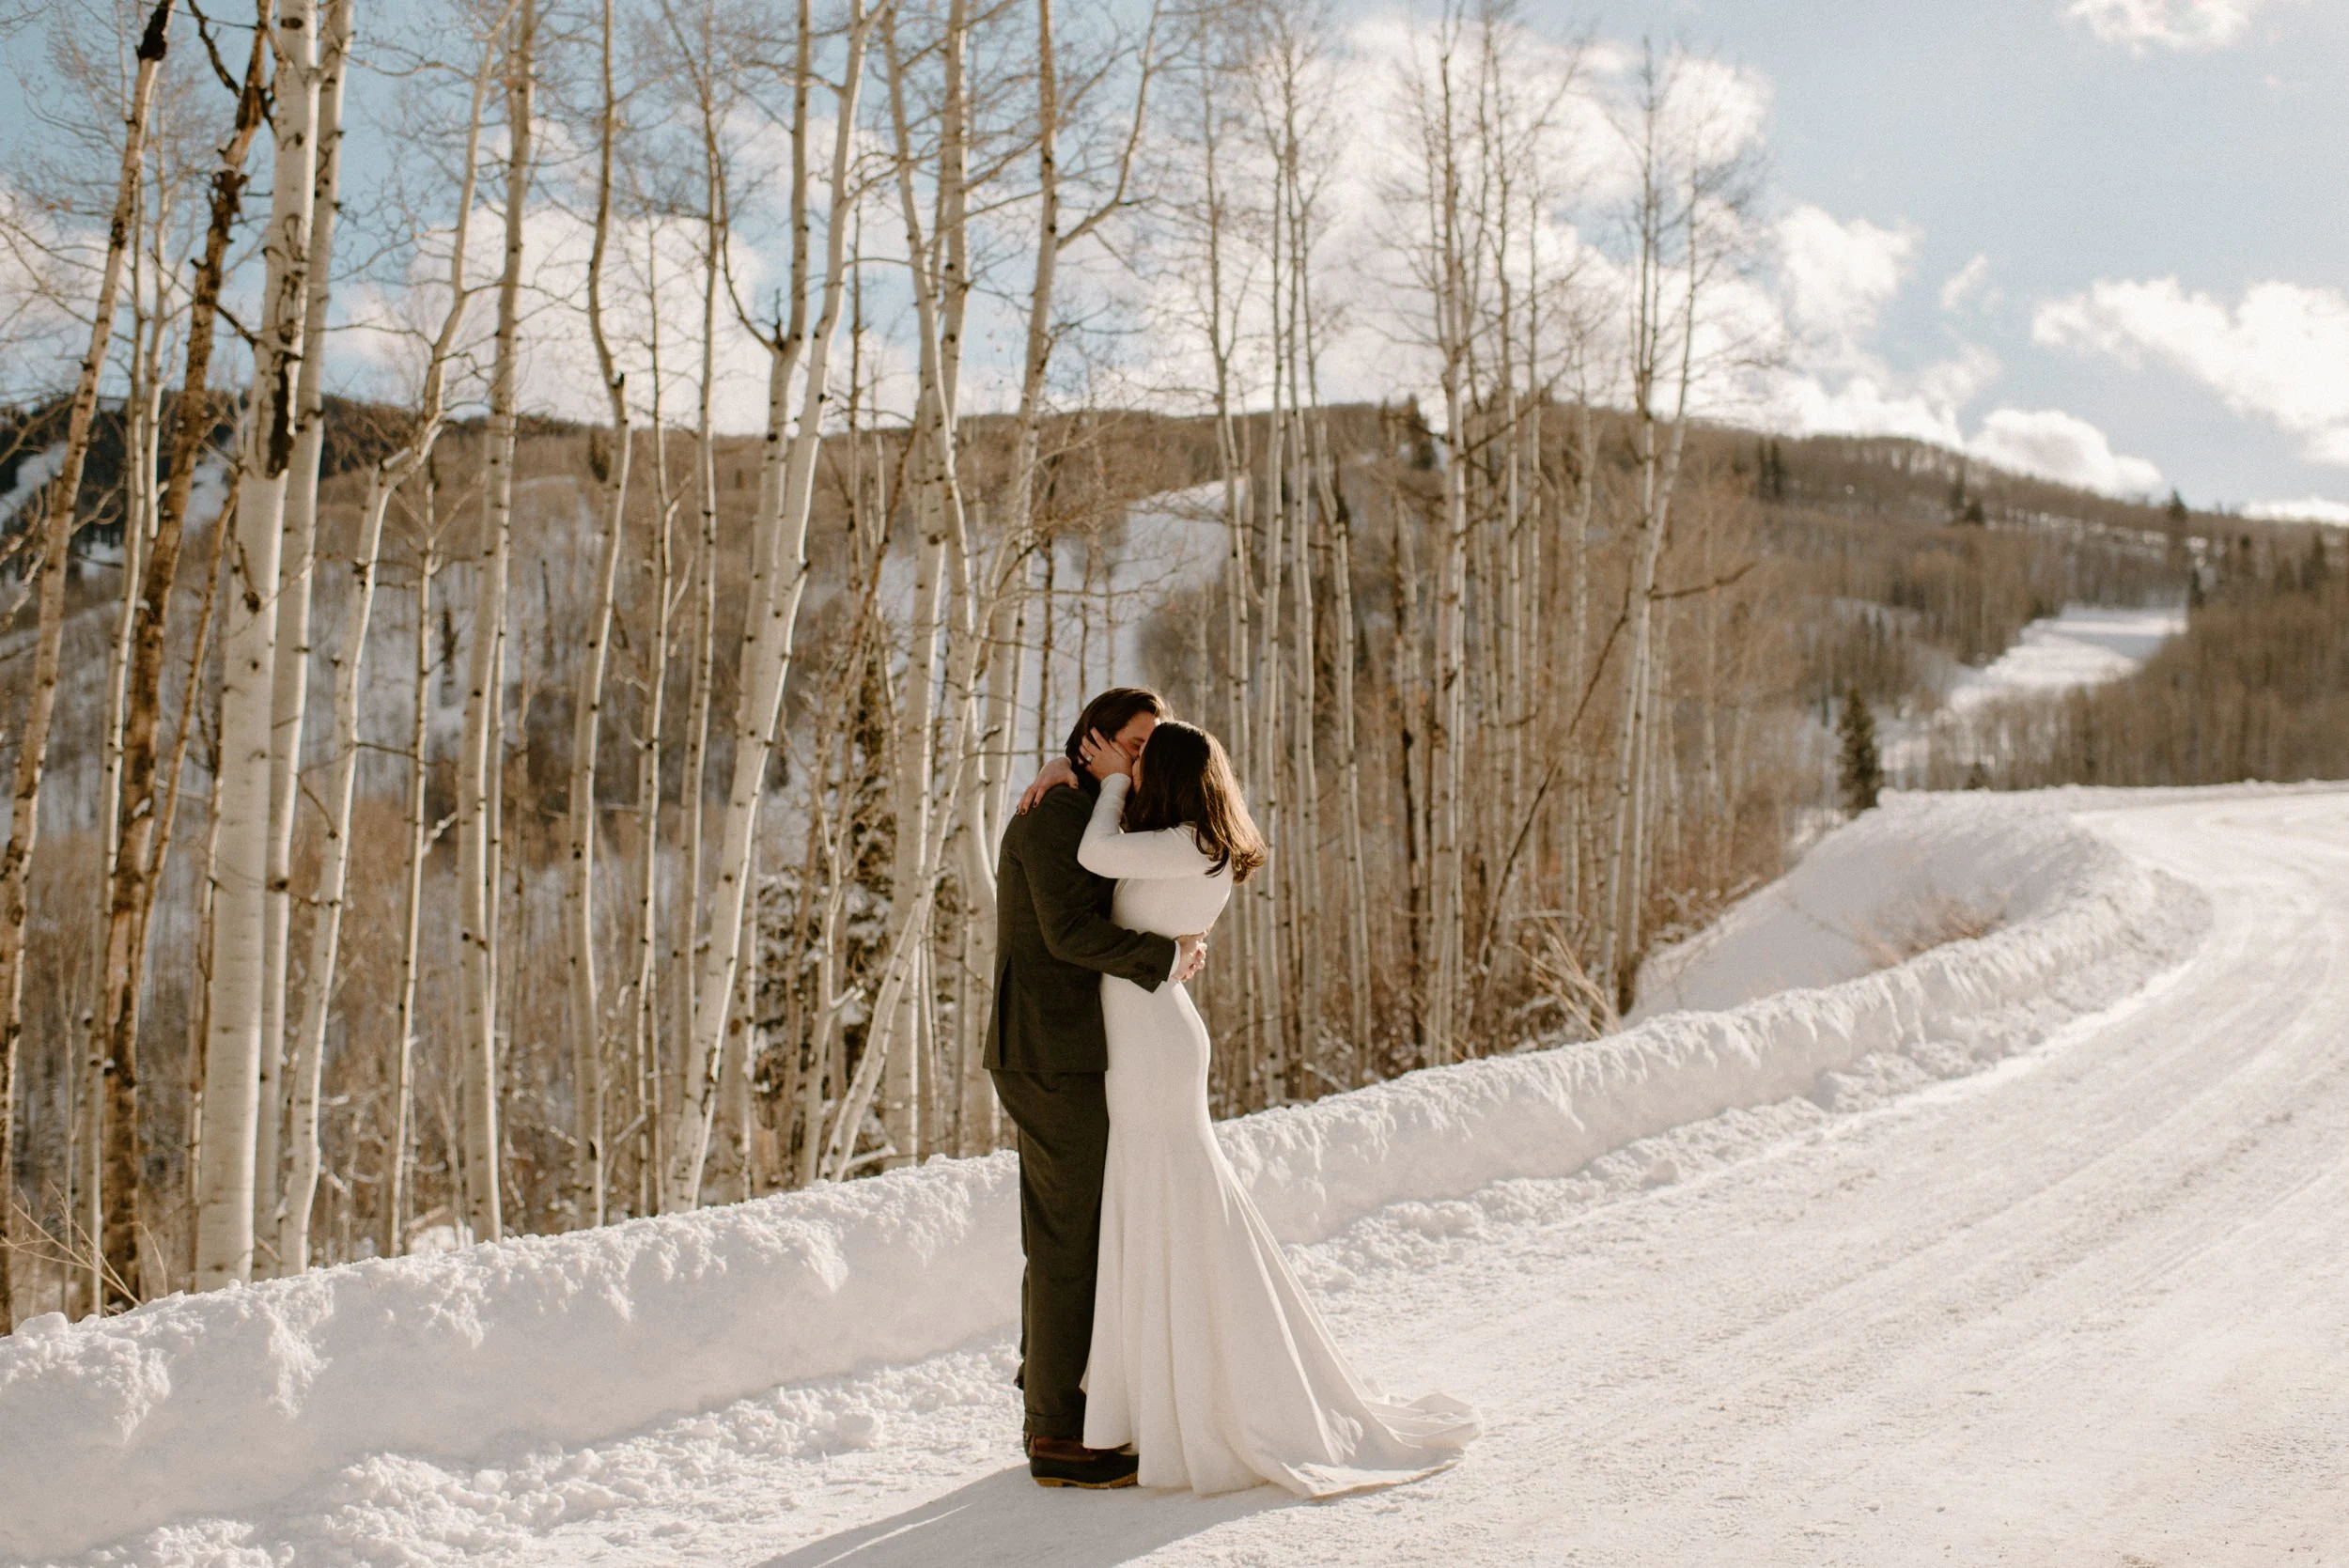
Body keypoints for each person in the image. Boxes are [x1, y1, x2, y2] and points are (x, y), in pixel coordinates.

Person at [1027, 718, 1480, 1498]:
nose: (1127, 772)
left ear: (1163, 775)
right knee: (1161, 1208)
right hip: (1146, 1034)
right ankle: (1157, 1398)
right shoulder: (1193, 838)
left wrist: (1100, 783)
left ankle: (1193, 1402)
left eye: (1139, 763)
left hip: (1150, 1042)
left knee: (1172, 1207)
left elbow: (1096, 854)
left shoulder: (1189, 843)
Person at [986, 688, 1208, 1489]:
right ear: (1095, 740)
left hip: (1073, 1048)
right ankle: (1054, 1433)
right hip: (1050, 1049)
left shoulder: (1085, 808)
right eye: (1137, 743)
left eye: (1152, 746)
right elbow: (1068, 933)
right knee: (1066, 1234)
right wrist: (1166, 955)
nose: (1145, 758)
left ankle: (1047, 1384)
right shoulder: (1054, 817)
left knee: (1067, 1223)